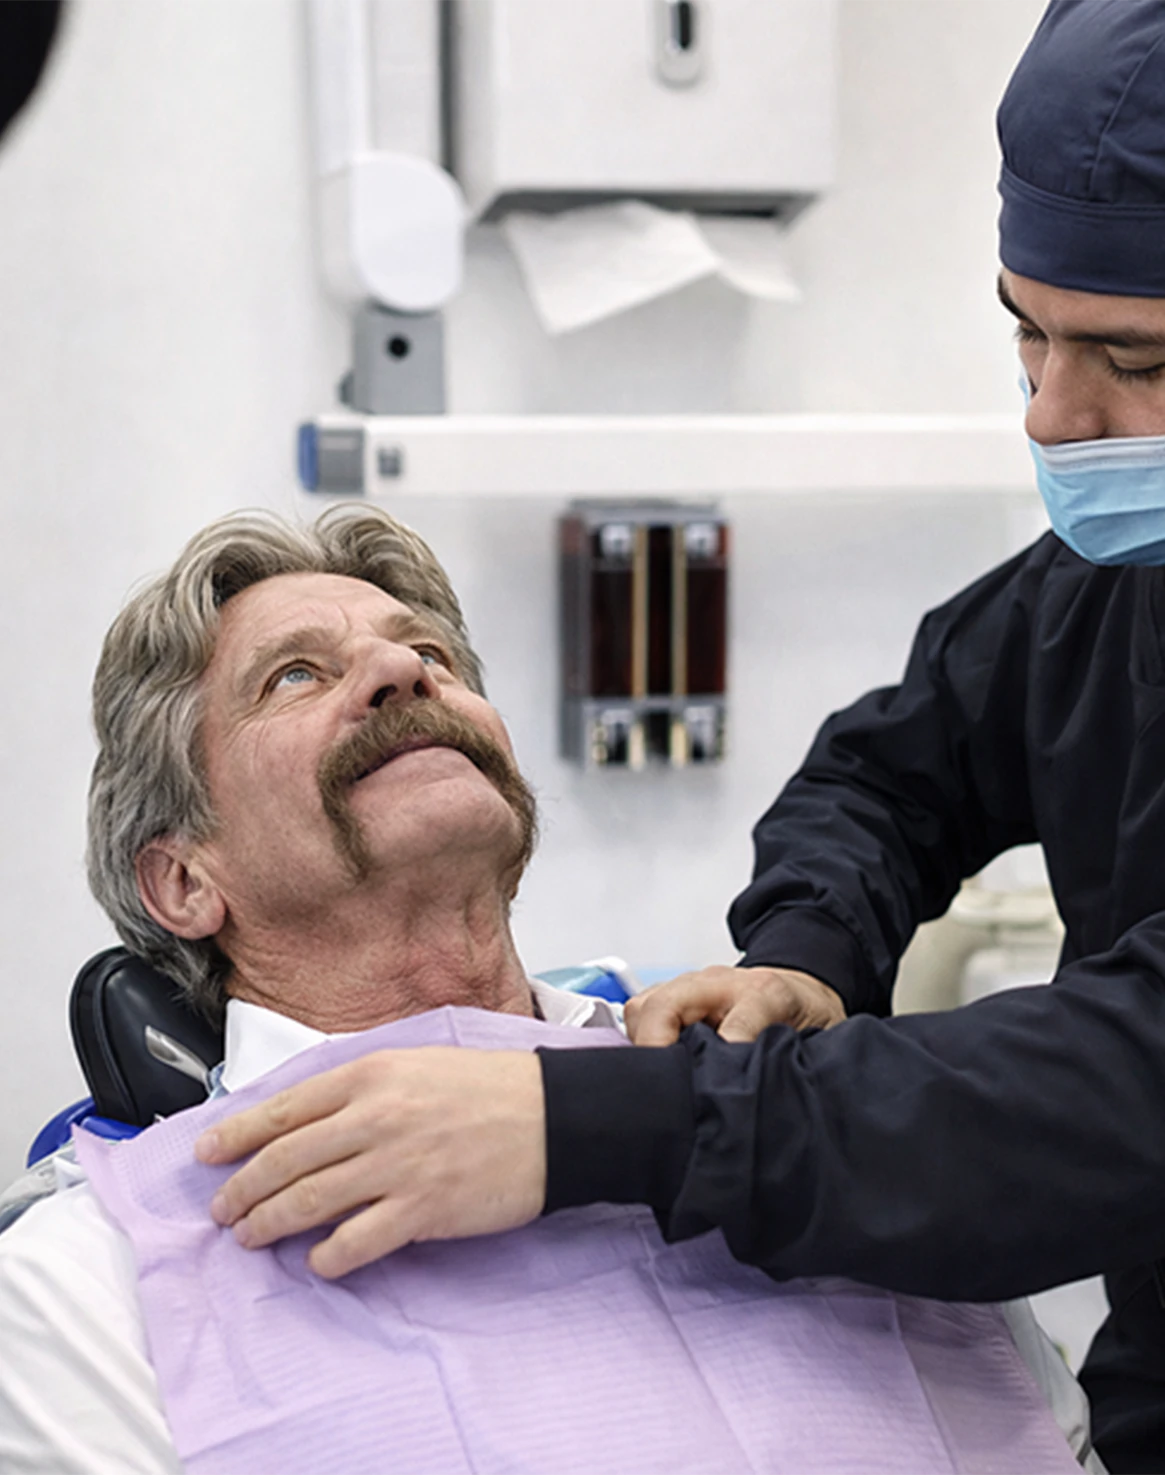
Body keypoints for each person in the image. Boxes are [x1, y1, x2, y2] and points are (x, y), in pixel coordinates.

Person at [185, 5, 1165, 1473]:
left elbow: (1121, 1087)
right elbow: (886, 772)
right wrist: (806, 957)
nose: (1050, 412)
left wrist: (603, 1128)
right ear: (173, 876)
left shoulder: (617, 1101)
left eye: (1132, 360)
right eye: (1022, 331)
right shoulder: (121, 1251)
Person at [0, 507, 1090, 1475]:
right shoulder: (88, 1289)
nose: (403, 675)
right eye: (295, 675)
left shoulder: (795, 1119)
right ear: (184, 878)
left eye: (427, 652)